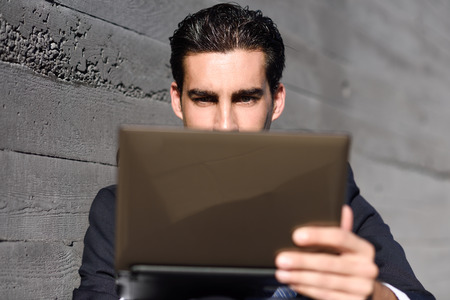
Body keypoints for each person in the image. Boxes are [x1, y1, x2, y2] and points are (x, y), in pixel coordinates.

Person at [73, 3, 435, 300]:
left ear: (275, 101)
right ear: (177, 100)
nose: (225, 125)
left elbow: (413, 295)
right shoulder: (119, 212)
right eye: (204, 99)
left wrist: (372, 295)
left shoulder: (329, 196)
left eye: (246, 98)